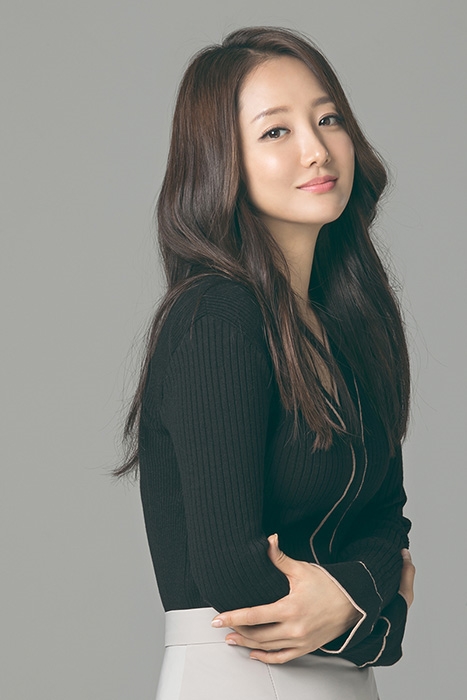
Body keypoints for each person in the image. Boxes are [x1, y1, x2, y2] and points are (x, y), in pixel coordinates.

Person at [115, 26, 415, 700]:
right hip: (239, 676)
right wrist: (373, 621)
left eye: (328, 119)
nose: (317, 149)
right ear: (222, 162)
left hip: (346, 684)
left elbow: (387, 526)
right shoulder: (214, 319)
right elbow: (231, 573)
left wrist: (349, 604)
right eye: (276, 131)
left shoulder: (355, 324)